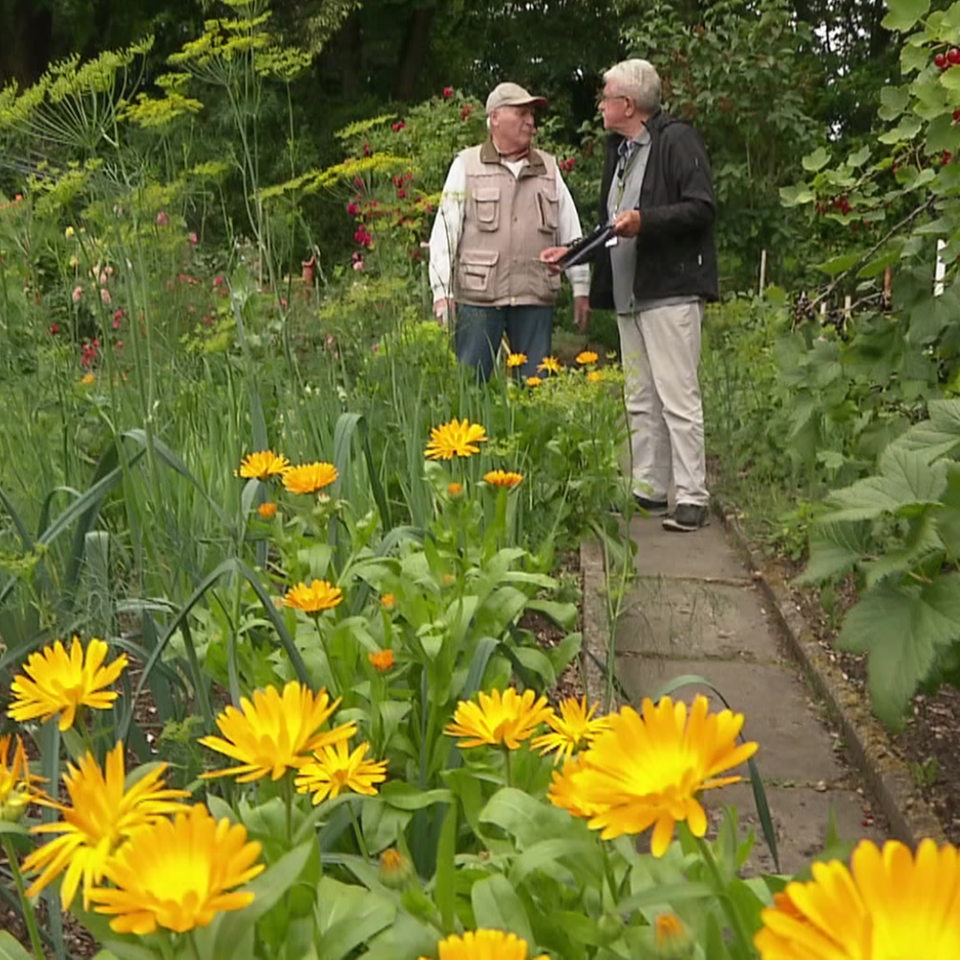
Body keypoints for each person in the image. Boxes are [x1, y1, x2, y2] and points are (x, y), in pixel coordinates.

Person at [542, 59, 718, 532]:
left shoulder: (676, 141)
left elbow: (701, 207)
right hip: (630, 293)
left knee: (677, 395)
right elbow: (613, 224)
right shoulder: (620, 152)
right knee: (640, 394)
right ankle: (649, 488)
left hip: (670, 289)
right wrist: (574, 253)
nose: (599, 105)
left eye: (605, 97)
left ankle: (692, 497)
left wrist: (647, 220)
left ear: (628, 104)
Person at [428, 82, 590, 381]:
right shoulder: (466, 165)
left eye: (532, 114)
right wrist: (443, 292)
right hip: (479, 299)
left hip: (534, 295)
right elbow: (445, 232)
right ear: (495, 118)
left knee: (535, 388)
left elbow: (571, 231)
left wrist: (581, 287)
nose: (530, 121)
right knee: (470, 386)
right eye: (521, 113)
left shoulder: (549, 168)